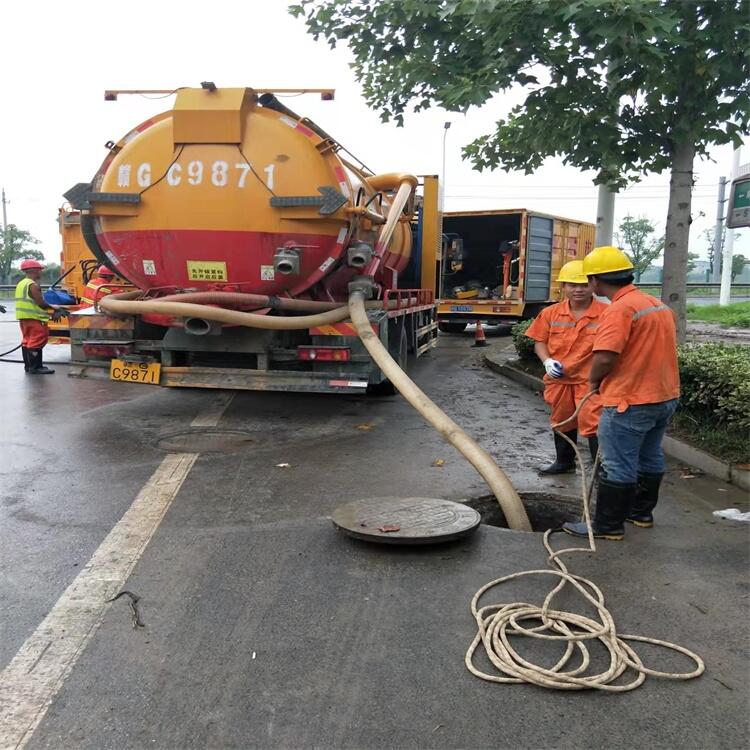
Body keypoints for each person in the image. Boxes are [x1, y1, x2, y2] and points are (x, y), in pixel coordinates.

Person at [563, 246, 680, 541]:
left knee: (617, 463)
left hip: (630, 400)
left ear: (595, 281)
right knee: (649, 455)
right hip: (664, 396)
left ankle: (607, 526)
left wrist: (593, 382)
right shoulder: (655, 304)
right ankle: (640, 513)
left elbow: (604, 356)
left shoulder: (619, 309)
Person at [525, 260, 608, 474]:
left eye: (583, 284)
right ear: (563, 287)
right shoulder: (551, 313)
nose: (578, 289)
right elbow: (539, 341)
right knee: (561, 421)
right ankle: (564, 462)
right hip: (560, 380)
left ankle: (602, 472)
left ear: (593, 285)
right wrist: (546, 361)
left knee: (594, 425)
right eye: (572, 284)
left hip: (590, 382)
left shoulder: (607, 313)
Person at [15, 259, 65, 375]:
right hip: (34, 318)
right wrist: (54, 308)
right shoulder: (32, 285)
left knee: (27, 341)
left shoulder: (21, 283)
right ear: (35, 271)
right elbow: (41, 303)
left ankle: (29, 366)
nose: (41, 273)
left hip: (24, 318)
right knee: (37, 340)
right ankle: (36, 367)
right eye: (40, 270)